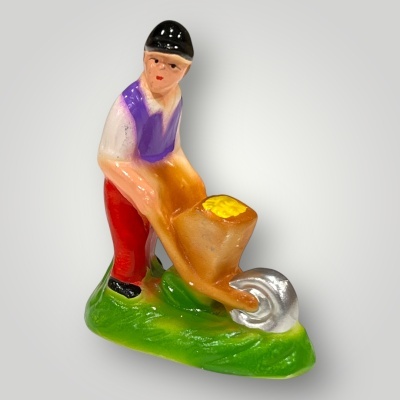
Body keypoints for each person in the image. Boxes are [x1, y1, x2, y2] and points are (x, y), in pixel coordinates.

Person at [98, 21, 206, 298]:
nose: (161, 70)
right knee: (130, 237)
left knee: (152, 232)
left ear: (186, 70)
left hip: (155, 179)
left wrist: (191, 178)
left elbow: (173, 148)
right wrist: (139, 188)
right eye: (156, 60)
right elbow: (108, 158)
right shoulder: (129, 104)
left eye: (173, 65)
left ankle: (147, 266)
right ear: (145, 58)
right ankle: (123, 282)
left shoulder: (176, 97)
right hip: (124, 186)